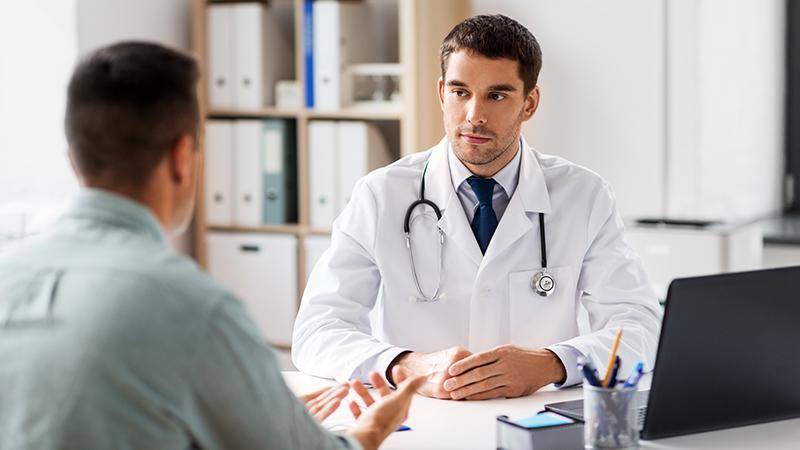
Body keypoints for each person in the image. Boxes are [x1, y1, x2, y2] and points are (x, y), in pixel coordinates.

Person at [0, 41, 424, 450]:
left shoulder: (9, 271)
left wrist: (258, 417)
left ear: (73, 158)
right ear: (182, 157)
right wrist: (368, 431)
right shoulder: (191, 306)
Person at [292, 14, 663, 400]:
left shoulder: (584, 195)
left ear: (530, 103)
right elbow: (317, 331)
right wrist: (405, 365)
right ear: (441, 93)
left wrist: (552, 362)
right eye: (460, 92)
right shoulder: (380, 195)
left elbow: (639, 326)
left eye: (496, 95)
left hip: (534, 419)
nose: (474, 116)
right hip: (421, 420)